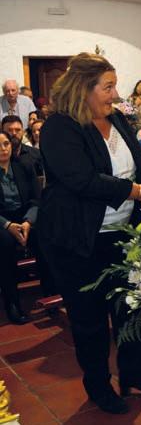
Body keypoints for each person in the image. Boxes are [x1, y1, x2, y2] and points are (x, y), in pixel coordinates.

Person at [38, 53, 141, 415]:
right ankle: (98, 385)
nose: (116, 94)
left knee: (133, 310)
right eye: (108, 87)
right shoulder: (60, 127)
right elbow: (82, 179)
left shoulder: (116, 119)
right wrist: (138, 192)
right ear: (83, 88)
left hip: (125, 235)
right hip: (79, 240)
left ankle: (135, 373)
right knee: (91, 320)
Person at [0, 131, 41, 324]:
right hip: (2, 221)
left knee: (45, 236)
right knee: (5, 243)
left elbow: (36, 199)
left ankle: (51, 292)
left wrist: (28, 222)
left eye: (6, 144)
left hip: (25, 218)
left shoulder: (23, 166)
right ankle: (12, 303)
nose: (3, 149)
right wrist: (7, 225)